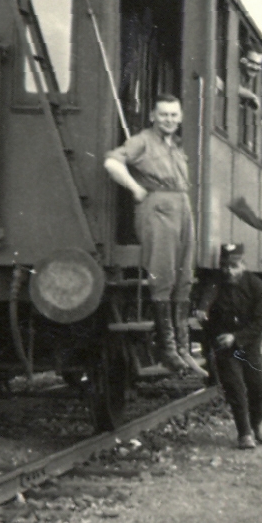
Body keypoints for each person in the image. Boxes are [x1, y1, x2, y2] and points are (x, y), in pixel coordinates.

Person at [103, 96, 204, 375]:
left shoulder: (176, 145)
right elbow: (112, 163)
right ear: (152, 116)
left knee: (184, 276)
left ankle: (183, 348)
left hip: (181, 208)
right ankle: (168, 349)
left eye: (173, 115)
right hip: (158, 208)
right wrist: (135, 189)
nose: (168, 119)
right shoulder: (142, 140)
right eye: (163, 115)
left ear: (180, 117)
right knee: (163, 275)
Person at [202, 243, 262, 449]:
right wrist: (210, 327)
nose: (228, 271)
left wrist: (237, 337)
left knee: (257, 386)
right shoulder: (215, 285)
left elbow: (260, 322)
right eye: (224, 266)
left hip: (247, 347)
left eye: (233, 266)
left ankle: (257, 423)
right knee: (235, 387)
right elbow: (205, 308)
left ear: (243, 265)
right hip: (226, 348)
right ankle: (244, 433)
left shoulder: (255, 285)